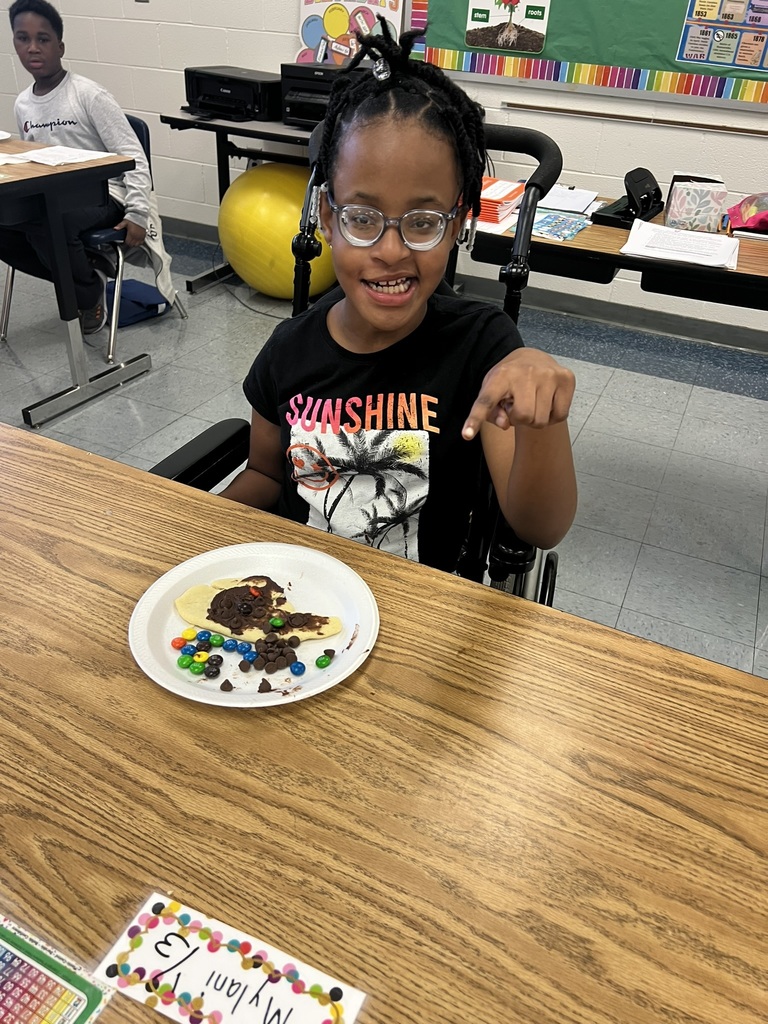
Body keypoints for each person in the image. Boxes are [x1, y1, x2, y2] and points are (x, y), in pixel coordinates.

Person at [222, 20, 577, 574]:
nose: (390, 250)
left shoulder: (484, 349)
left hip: (425, 612)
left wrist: (543, 417)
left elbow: (540, 526)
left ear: (458, 222)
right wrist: (189, 533)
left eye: (423, 221)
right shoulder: (286, 352)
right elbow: (266, 475)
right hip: (298, 605)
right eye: (362, 218)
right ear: (327, 219)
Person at [0, 0, 152, 334]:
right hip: (54, 194)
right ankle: (87, 271)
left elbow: (133, 155)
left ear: (60, 46)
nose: (33, 47)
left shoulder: (88, 95)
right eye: (23, 38)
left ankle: (85, 294)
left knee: (47, 221)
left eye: (43, 39)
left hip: (103, 195)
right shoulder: (23, 103)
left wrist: (139, 213)